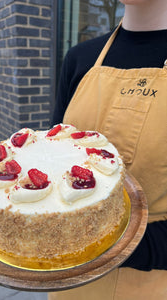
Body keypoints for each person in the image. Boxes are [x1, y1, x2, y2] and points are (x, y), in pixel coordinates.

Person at [49, 0, 167, 299]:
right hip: (68, 279)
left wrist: (106, 242)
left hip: (152, 282)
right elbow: (51, 154)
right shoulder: (79, 58)